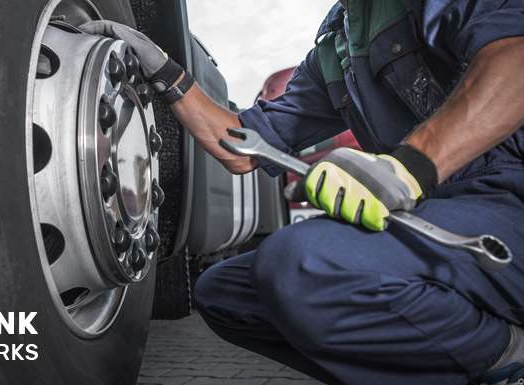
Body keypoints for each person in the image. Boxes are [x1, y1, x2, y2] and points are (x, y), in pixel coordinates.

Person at [80, 1, 524, 384]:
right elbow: (242, 147)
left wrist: (409, 168)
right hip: (433, 215)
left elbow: (514, 58)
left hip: (506, 206)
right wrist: (166, 71)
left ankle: (507, 355)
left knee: (307, 265)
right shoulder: (337, 46)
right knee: (228, 294)